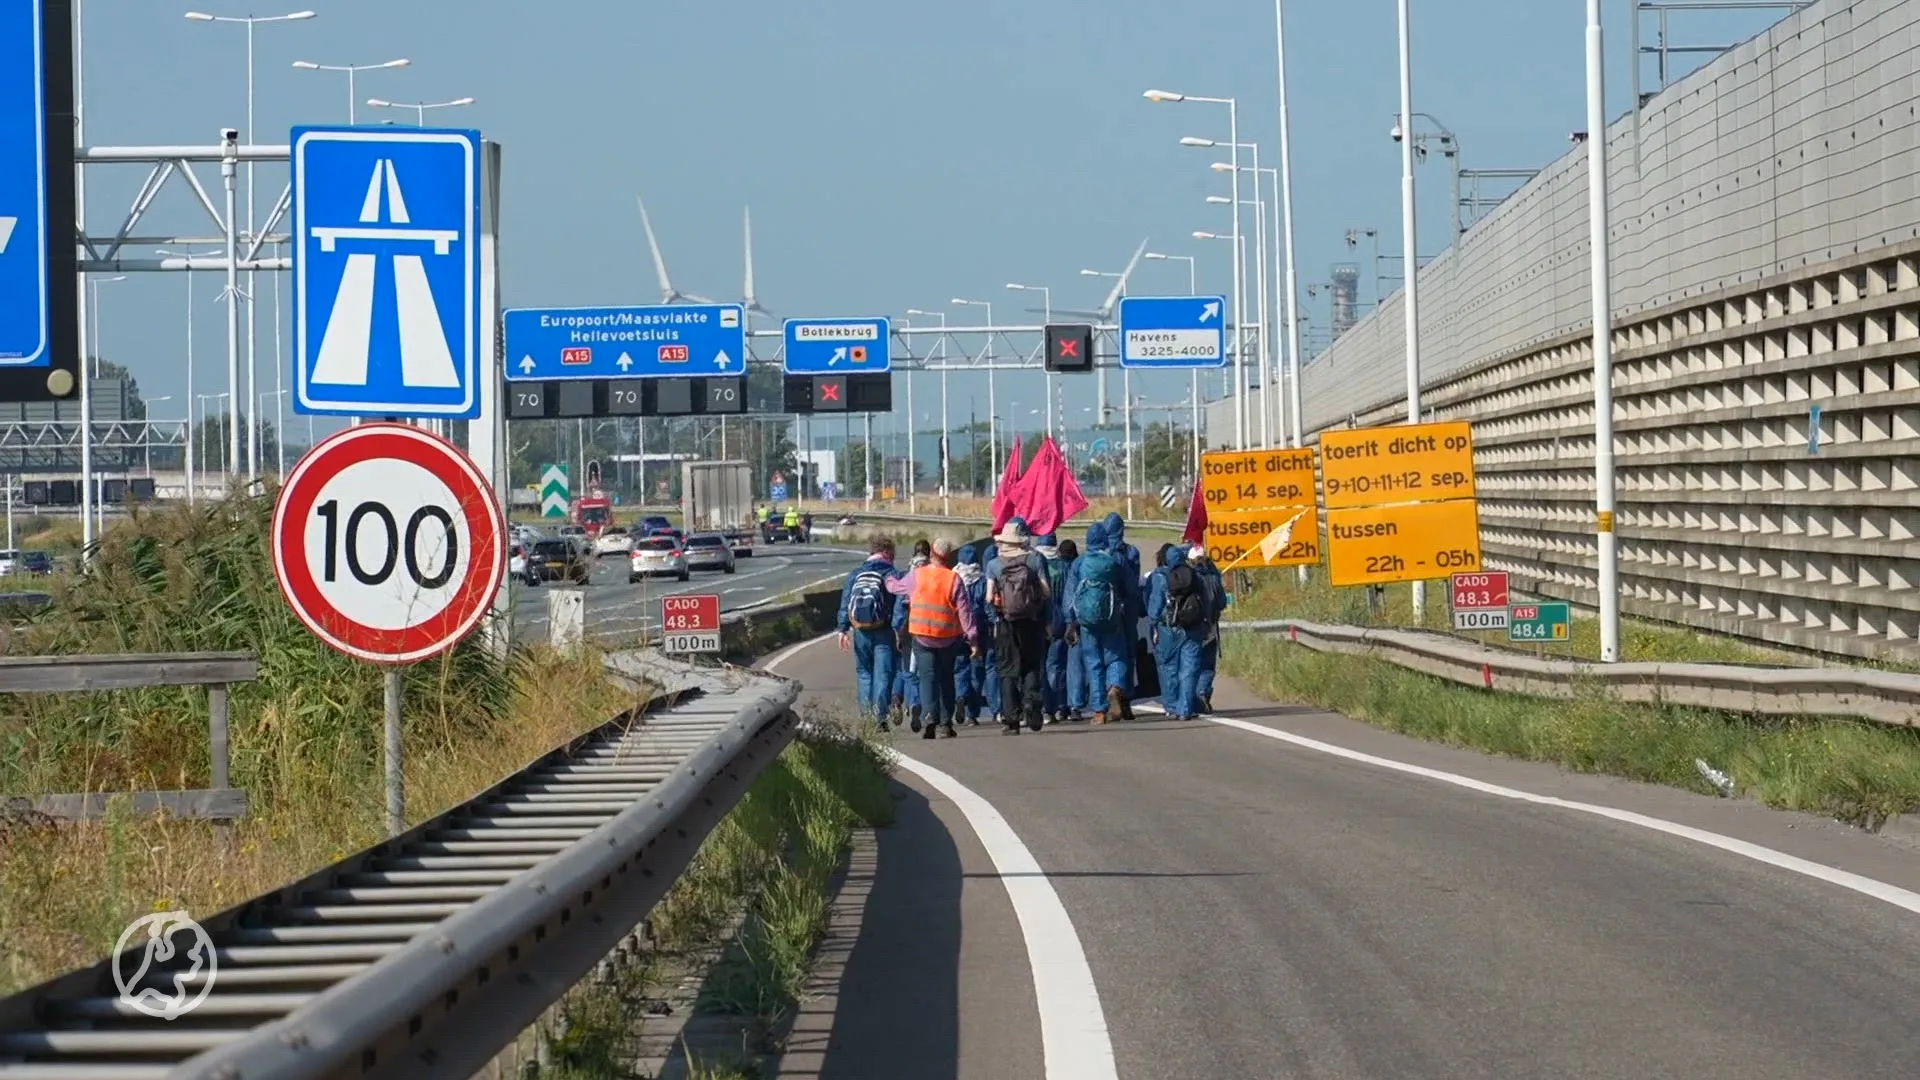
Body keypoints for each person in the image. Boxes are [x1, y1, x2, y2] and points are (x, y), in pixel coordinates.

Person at [886, 537, 981, 738]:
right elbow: (965, 612)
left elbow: (894, 588)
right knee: (947, 679)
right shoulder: (953, 579)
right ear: (949, 557)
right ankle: (946, 724)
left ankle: (930, 716)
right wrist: (972, 639)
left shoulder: (917, 576)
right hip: (948, 636)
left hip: (922, 636)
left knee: (927, 678)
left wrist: (889, 576)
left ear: (931, 554)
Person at [1064, 521, 1139, 724]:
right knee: (1116, 657)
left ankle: (1099, 711)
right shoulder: (1117, 559)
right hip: (1113, 618)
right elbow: (1131, 589)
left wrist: (1070, 622)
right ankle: (1114, 686)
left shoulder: (1079, 563)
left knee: (1093, 662)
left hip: (1087, 622)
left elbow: (1070, 595)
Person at [986, 521, 1052, 734]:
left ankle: (1011, 720)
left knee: (1007, 671)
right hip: (1032, 621)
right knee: (1031, 665)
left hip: (1005, 623)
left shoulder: (994, 564)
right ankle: (1031, 704)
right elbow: (1046, 592)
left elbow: (988, 597)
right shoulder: (1034, 560)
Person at [835, 537, 901, 727]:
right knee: (883, 674)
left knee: (864, 673)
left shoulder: (856, 573)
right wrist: (898, 628)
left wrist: (842, 629)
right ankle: (880, 718)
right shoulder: (892, 573)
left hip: (860, 630)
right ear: (888, 553)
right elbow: (898, 604)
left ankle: (866, 717)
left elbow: (846, 602)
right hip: (884, 630)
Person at [1147, 543, 1209, 721]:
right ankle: (1185, 708)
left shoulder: (1160, 577)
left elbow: (1154, 607)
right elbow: (1205, 601)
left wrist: (1154, 625)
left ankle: (1171, 706)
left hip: (1169, 628)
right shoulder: (1195, 577)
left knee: (1169, 668)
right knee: (1189, 669)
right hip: (1193, 628)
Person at [1101, 511, 1144, 719]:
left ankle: (1103, 701)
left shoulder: (1098, 553)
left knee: (1103, 654)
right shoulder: (1131, 553)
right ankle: (1125, 698)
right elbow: (1133, 584)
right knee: (1127, 654)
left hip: (1103, 610)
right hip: (1127, 609)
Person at [891, 540, 932, 726]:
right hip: (931, 625)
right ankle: (926, 707)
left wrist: (897, 630)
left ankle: (912, 701)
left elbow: (899, 606)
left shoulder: (908, 575)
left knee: (907, 669)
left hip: (909, 625)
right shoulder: (935, 573)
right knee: (929, 669)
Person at [1046, 537, 1087, 723]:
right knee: (1070, 665)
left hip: (1047, 621)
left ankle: (1051, 705)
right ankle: (1068, 705)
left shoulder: (1043, 566)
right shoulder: (1071, 568)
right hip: (1068, 621)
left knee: (1050, 665)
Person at [953, 545, 994, 727]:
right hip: (979, 630)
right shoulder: (982, 580)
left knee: (960, 669)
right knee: (977, 672)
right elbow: (988, 606)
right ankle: (972, 713)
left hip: (957, 630)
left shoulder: (953, 578)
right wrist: (993, 624)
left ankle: (961, 695)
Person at [1187, 543, 1227, 713]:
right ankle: (1203, 692)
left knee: (1192, 663)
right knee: (1208, 666)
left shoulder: (1189, 577)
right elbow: (1222, 602)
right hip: (1210, 627)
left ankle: (1192, 698)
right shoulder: (1213, 576)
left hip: (1192, 627)